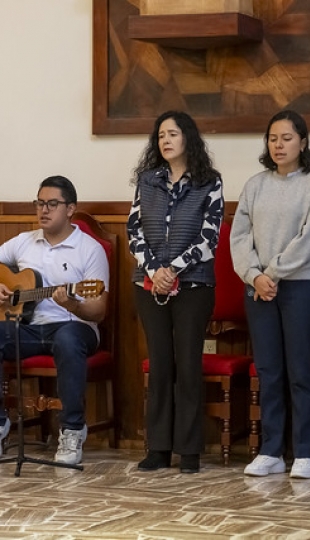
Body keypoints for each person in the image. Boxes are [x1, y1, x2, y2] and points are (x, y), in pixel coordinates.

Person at [127, 110, 224, 473]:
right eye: (160, 135)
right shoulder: (147, 181)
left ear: (188, 139)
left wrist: (174, 270)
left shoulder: (209, 182)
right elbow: (133, 231)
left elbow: (210, 237)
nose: (165, 140)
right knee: (161, 365)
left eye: (172, 133)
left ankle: (189, 451)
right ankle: (158, 449)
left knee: (187, 365)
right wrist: (155, 270)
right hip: (149, 286)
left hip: (194, 286)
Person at [0, 175, 109, 465]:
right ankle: (0, 424)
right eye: (39, 203)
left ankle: (72, 430)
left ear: (70, 208)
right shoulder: (24, 242)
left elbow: (98, 310)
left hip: (77, 328)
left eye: (52, 204)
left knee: (68, 338)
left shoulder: (89, 249)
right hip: (31, 329)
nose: (43, 210)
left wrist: (73, 305)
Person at [230, 110, 310, 478]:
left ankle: (306, 452)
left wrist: (272, 273)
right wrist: (254, 275)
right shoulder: (255, 185)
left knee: (301, 370)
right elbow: (239, 237)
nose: (279, 145)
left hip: (299, 286)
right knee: (269, 370)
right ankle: (272, 451)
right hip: (258, 288)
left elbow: (306, 240)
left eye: (287, 138)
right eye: (273, 138)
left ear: (304, 143)